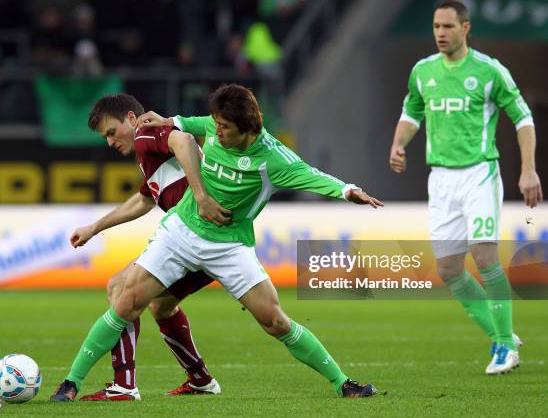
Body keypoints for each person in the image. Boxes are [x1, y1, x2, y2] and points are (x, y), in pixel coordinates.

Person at [52, 84, 383, 401]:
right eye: (217, 123)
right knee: (125, 300)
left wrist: (347, 190)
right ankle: (71, 384)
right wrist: (166, 121)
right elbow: (183, 124)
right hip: (181, 230)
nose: (216, 131)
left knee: (275, 321)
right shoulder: (212, 125)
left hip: (229, 245)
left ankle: (343, 383)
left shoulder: (274, 161)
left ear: (247, 127)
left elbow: (312, 175)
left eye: (224, 127)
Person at [389, 0, 542, 375]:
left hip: (479, 174)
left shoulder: (489, 71)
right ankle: (501, 332)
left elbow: (523, 119)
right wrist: (398, 144)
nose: (440, 33)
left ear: (466, 28)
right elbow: (412, 111)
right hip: (440, 179)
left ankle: (505, 346)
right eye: (436, 27)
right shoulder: (423, 71)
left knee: (485, 255)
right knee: (448, 269)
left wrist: (528, 170)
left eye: (448, 27)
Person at [54, 94, 231, 401]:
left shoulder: (146, 133)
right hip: (209, 239)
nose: (110, 142)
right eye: (105, 137)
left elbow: (184, 139)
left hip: (196, 236)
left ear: (132, 119)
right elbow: (144, 200)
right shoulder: (149, 154)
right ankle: (200, 380)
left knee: (120, 288)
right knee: (160, 305)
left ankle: (121, 385)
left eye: (112, 132)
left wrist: (200, 196)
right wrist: (94, 228)